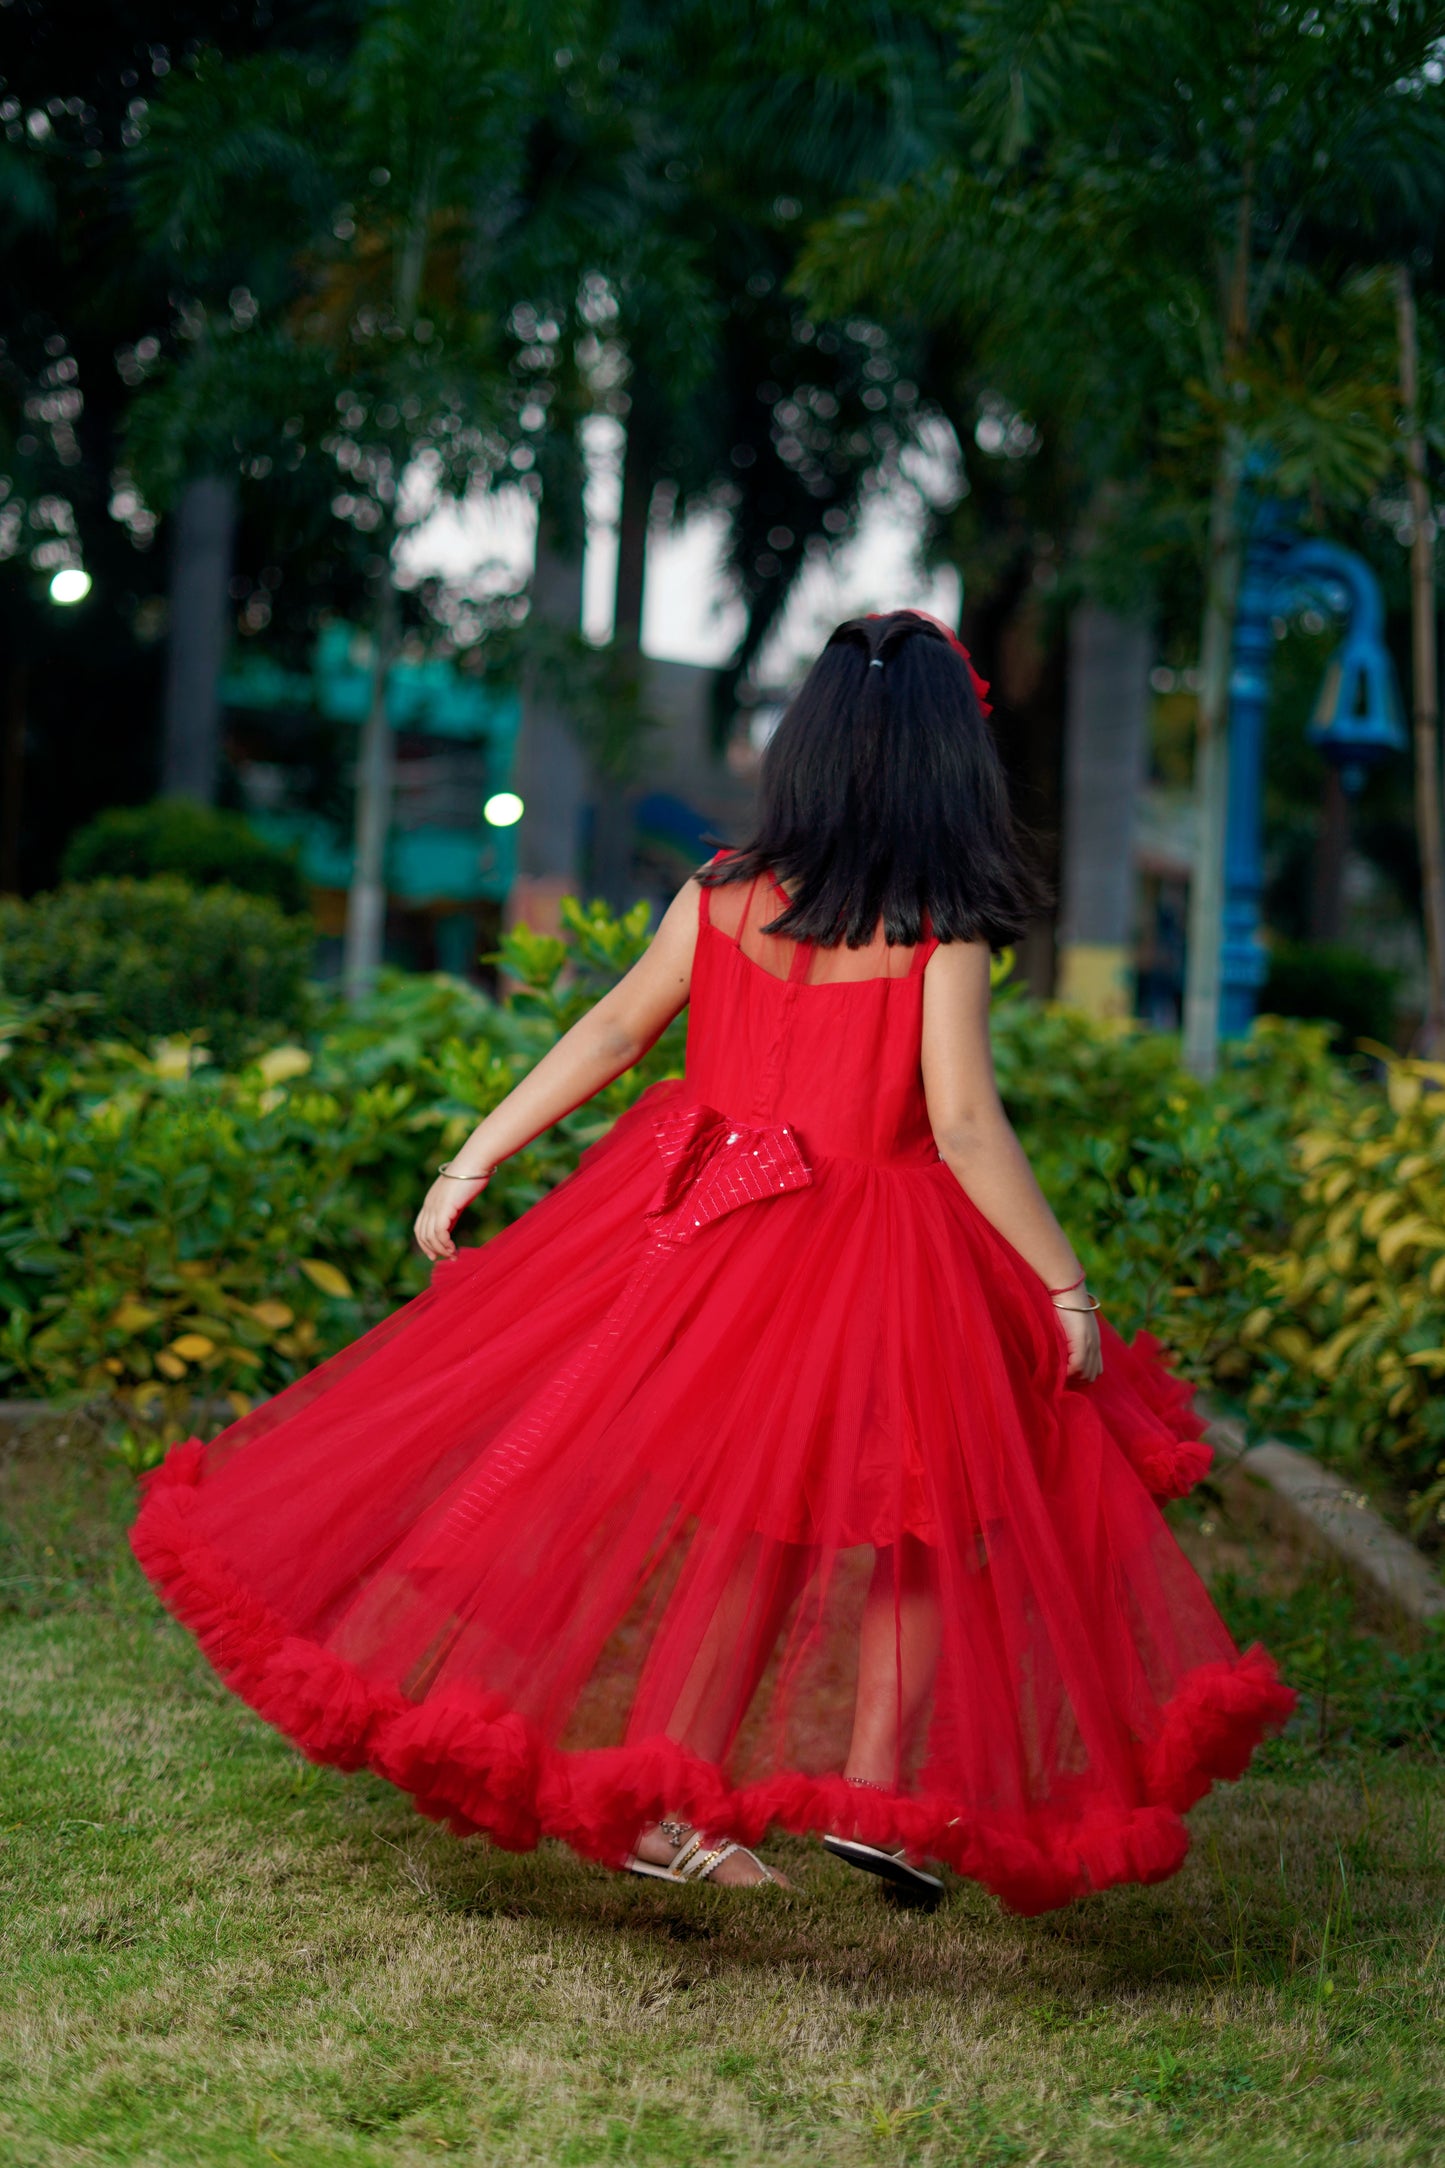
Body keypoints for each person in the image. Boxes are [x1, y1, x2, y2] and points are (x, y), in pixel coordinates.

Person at [131, 609, 1293, 1913]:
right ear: (946, 766)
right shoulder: (934, 931)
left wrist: (477, 1151)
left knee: (747, 1521)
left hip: (707, 1230)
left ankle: (667, 1800)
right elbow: (961, 1125)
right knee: (935, 1508)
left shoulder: (724, 892)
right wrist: (1063, 1283)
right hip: (878, 1252)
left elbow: (618, 1025)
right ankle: (874, 1793)